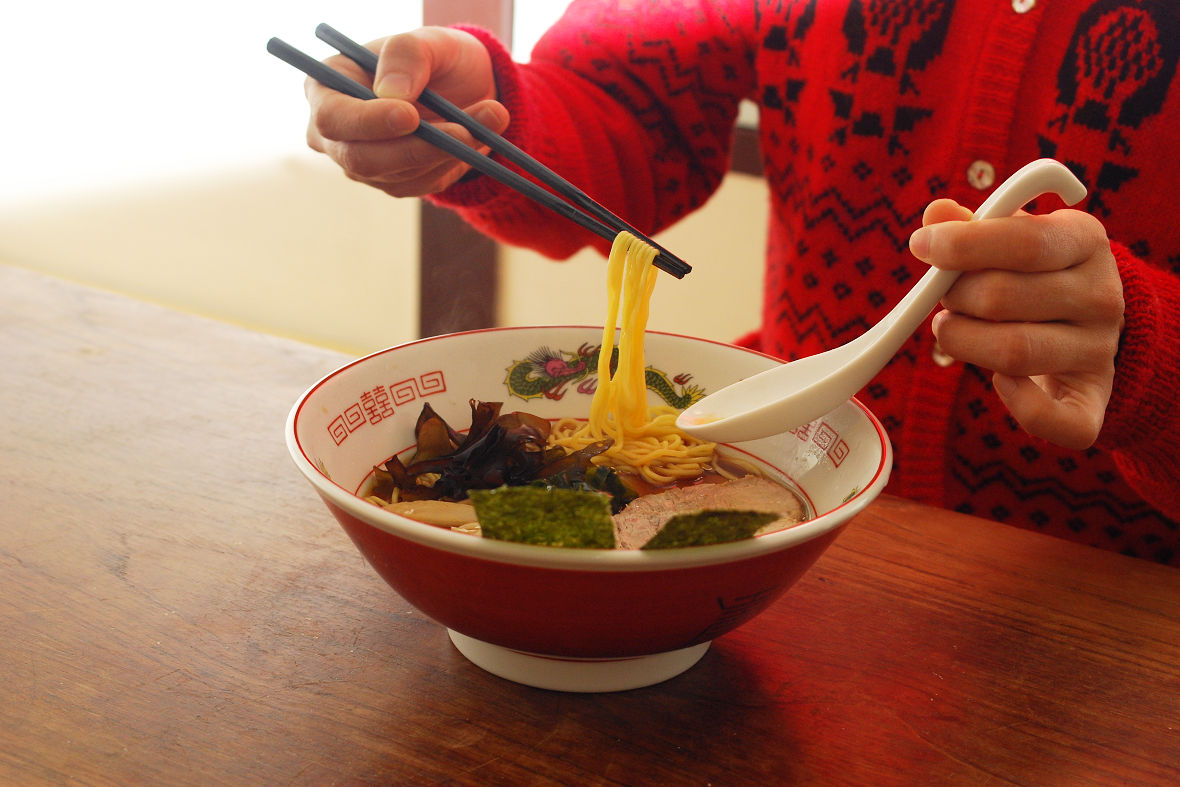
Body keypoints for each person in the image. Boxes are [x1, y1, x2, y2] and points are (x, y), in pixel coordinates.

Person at [304, 0, 1180, 563]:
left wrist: (1151, 361)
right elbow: (632, 108)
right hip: (776, 531)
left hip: (1119, 614)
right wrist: (496, 109)